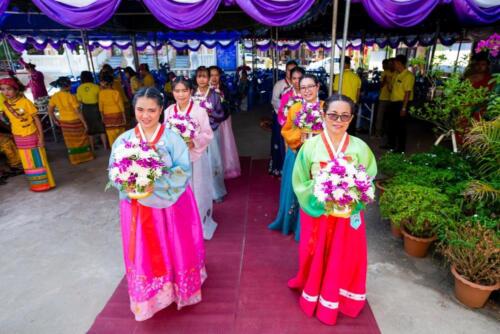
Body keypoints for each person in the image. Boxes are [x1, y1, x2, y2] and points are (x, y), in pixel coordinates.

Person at [108, 87, 206, 321]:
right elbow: (114, 172)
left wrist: (154, 184)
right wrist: (130, 183)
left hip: (172, 205)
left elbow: (182, 171)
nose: (145, 115)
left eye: (152, 110)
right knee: (145, 249)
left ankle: (179, 286)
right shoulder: (124, 140)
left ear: (161, 110)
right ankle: (153, 296)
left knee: (176, 244)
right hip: (138, 207)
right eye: (140, 109)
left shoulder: (172, 138)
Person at [289, 94, 377, 326]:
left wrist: (352, 197)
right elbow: (299, 182)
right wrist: (323, 197)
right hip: (319, 215)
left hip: (348, 215)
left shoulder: (360, 147)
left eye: (344, 116)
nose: (338, 120)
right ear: (323, 115)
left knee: (346, 256)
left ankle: (341, 294)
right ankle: (315, 290)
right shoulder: (310, 147)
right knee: (315, 254)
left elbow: (369, 179)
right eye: (333, 115)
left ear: (351, 118)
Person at [164, 77, 217, 240]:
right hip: (176, 159)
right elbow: (164, 134)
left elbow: (208, 134)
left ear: (190, 91)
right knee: (178, 190)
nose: (181, 95)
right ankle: (181, 223)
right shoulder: (169, 111)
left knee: (197, 189)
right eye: (177, 91)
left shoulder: (199, 111)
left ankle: (199, 221)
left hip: (196, 156)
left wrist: (192, 141)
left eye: (184, 90)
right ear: (172, 92)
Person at [271, 74, 323, 241]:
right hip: (297, 154)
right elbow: (286, 131)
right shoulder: (295, 108)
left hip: (319, 158)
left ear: (318, 87)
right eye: (303, 88)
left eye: (310, 86)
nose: (307, 90)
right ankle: (294, 224)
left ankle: (313, 226)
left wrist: (317, 136)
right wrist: (300, 138)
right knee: (295, 190)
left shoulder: (325, 108)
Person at [0, 76, 55, 191]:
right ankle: (36, 185)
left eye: (9, 89)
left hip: (31, 135)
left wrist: (41, 138)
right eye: (3, 89)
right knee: (27, 162)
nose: (6, 92)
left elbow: (37, 120)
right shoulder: (5, 104)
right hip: (18, 137)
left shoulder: (25, 102)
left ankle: (45, 184)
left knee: (38, 160)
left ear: (16, 89)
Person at [193, 66, 227, 202]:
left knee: (214, 160)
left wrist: (208, 115)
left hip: (211, 131)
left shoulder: (214, 95)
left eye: (204, 76)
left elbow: (221, 114)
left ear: (208, 78)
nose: (202, 79)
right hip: (196, 134)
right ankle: (201, 193)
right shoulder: (191, 95)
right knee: (199, 162)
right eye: (199, 76)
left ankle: (216, 191)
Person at [48, 77, 94, 164]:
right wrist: (85, 123)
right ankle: (86, 157)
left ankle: (74, 160)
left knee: (70, 142)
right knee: (82, 139)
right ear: (67, 86)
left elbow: (50, 110)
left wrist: (55, 120)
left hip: (64, 123)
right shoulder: (71, 97)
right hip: (75, 121)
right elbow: (78, 112)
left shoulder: (55, 96)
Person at [209, 65, 241, 179]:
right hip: (210, 122)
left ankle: (227, 167)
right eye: (211, 75)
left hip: (224, 121)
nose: (214, 78)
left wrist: (223, 105)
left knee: (225, 142)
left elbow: (231, 104)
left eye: (216, 75)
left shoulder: (225, 88)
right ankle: (214, 169)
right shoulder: (204, 89)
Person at [269, 60, 297, 177]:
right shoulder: (280, 84)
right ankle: (278, 167)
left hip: (296, 120)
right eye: (289, 70)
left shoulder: (301, 84)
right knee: (279, 142)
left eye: (293, 70)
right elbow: (274, 101)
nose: (291, 72)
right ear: (285, 71)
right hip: (281, 118)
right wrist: (287, 109)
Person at [385, 54, 415, 152]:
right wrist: (388, 82)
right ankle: (391, 145)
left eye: (394, 64)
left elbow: (407, 93)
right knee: (391, 125)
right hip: (393, 103)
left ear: (399, 63)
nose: (393, 66)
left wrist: (404, 108)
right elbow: (391, 89)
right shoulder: (396, 74)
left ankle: (400, 148)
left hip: (402, 103)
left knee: (401, 127)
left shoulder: (409, 76)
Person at [76, 71, 107, 151]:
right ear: (91, 77)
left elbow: (79, 102)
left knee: (90, 129)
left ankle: (92, 148)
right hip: (96, 108)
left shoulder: (79, 88)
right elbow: (102, 98)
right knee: (101, 128)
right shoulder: (96, 86)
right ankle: (105, 147)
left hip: (86, 109)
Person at [99, 74, 126, 146]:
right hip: (118, 114)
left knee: (111, 135)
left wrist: (102, 118)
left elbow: (101, 108)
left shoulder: (101, 93)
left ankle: (114, 151)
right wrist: (124, 118)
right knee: (121, 134)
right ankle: (123, 150)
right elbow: (121, 106)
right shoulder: (116, 92)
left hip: (108, 116)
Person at [375, 58, 395, 138]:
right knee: (380, 117)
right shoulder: (384, 73)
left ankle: (388, 134)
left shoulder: (396, 74)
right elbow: (381, 85)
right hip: (383, 97)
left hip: (392, 98)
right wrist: (385, 80)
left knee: (389, 118)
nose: (383, 66)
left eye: (385, 64)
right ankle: (378, 133)